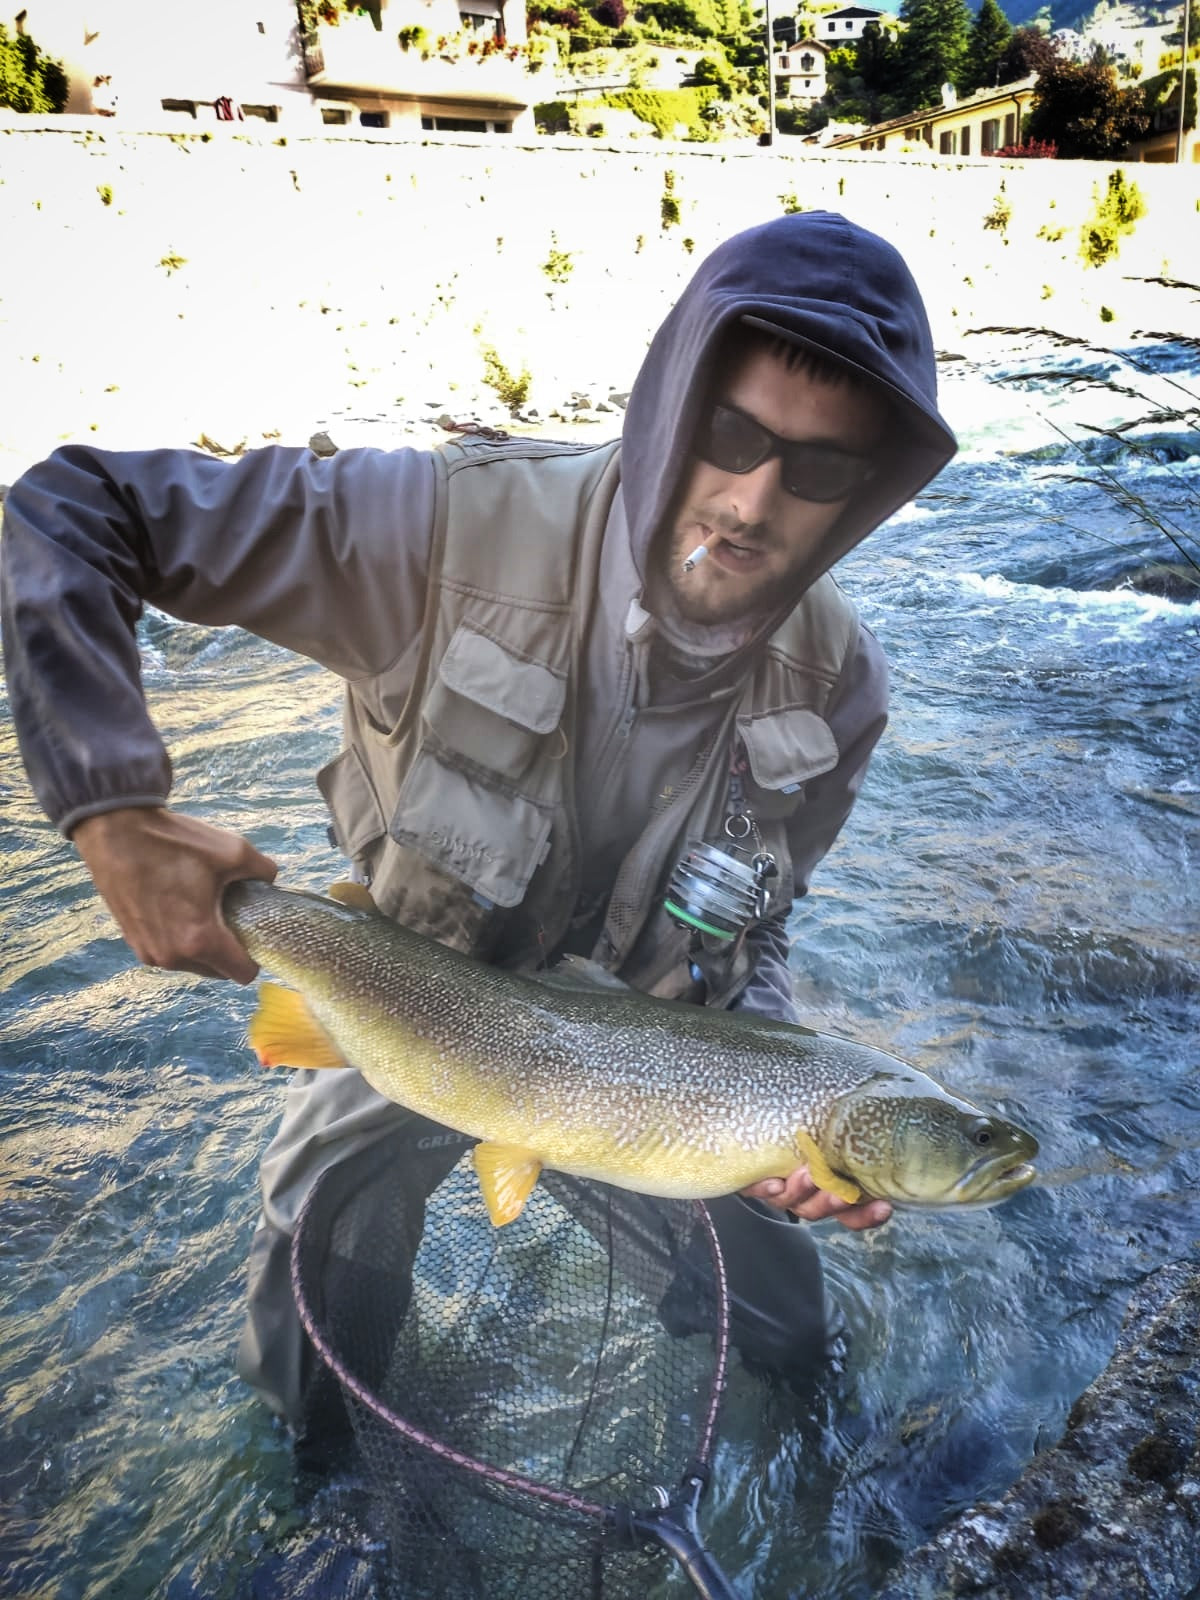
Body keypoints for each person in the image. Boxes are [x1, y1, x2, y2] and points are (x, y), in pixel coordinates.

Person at [1, 210, 956, 1433]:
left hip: (646, 1075)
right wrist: (110, 807)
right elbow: (73, 507)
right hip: (409, 1005)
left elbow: (757, 938)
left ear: (865, 495)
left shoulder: (843, 689)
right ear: (675, 404)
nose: (754, 498)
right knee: (311, 1371)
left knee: (780, 1339)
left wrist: (777, 1115)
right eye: (731, 433)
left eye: (818, 469)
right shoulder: (433, 528)